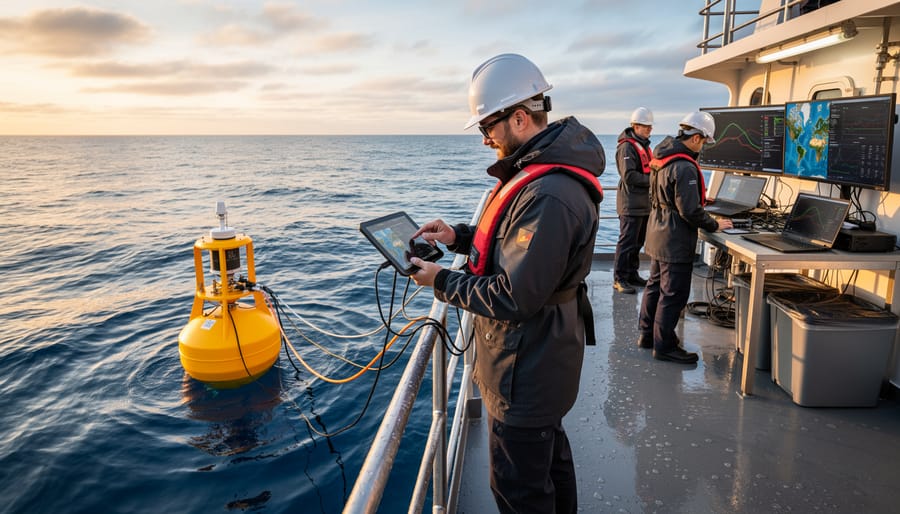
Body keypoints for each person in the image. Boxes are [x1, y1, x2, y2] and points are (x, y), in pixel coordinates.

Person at [408, 53, 605, 514]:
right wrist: (458, 237)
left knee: (518, 490)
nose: (484, 140)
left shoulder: (550, 194)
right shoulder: (540, 175)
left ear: (519, 117)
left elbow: (515, 293)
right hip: (539, 360)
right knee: (549, 464)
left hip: (527, 368)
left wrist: (440, 282)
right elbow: (514, 244)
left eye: (487, 127)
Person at [637, 111, 732, 363]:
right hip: (675, 237)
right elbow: (689, 211)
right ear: (697, 138)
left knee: (654, 285)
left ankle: (647, 335)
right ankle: (664, 345)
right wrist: (714, 224)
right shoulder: (685, 166)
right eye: (704, 142)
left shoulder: (661, 156)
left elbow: (661, 195)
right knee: (673, 294)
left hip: (657, 230)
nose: (702, 147)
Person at [613, 107, 654, 294]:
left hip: (643, 205)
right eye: (645, 126)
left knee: (638, 242)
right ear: (635, 126)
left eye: (650, 127)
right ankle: (619, 279)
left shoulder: (644, 145)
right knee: (627, 242)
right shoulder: (627, 147)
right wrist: (654, 181)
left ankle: (632, 274)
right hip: (630, 204)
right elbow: (629, 176)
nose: (648, 130)